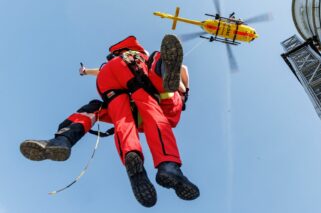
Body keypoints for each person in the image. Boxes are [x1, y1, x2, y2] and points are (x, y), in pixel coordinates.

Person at [20, 35, 199, 207]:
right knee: (156, 113)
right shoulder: (142, 55)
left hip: (109, 80)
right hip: (138, 79)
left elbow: (101, 71)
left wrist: (85, 71)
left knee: (101, 112)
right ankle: (168, 166)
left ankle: (62, 140)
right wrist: (185, 89)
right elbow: (184, 70)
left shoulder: (116, 58)